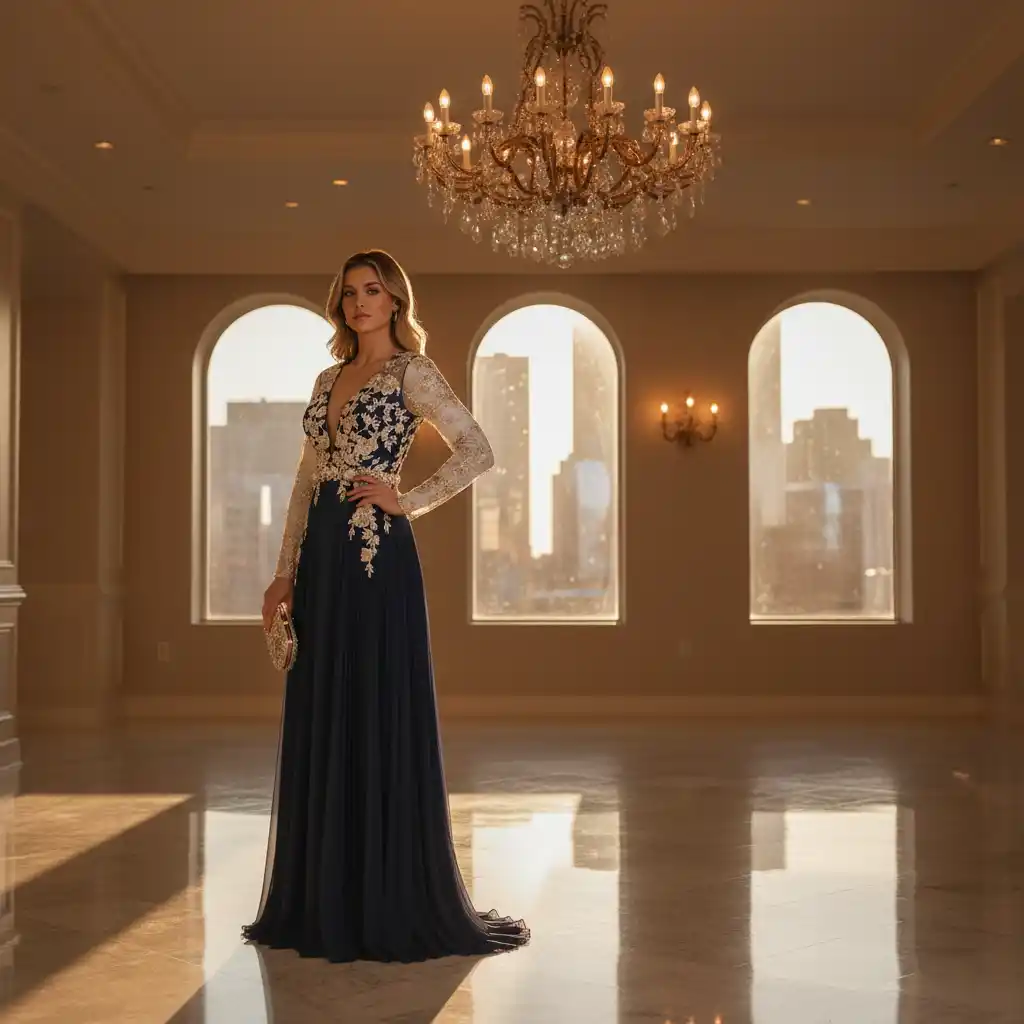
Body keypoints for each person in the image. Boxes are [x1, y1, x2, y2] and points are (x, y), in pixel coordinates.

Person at [242, 250, 529, 963]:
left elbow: (477, 449)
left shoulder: (413, 373)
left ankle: (386, 896)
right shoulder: (327, 377)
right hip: (321, 566)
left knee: (373, 708)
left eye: (373, 290)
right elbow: (307, 483)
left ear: (397, 299)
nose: (360, 302)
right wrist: (283, 574)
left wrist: (409, 500)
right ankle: (322, 897)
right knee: (325, 709)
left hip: (375, 558)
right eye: (349, 293)